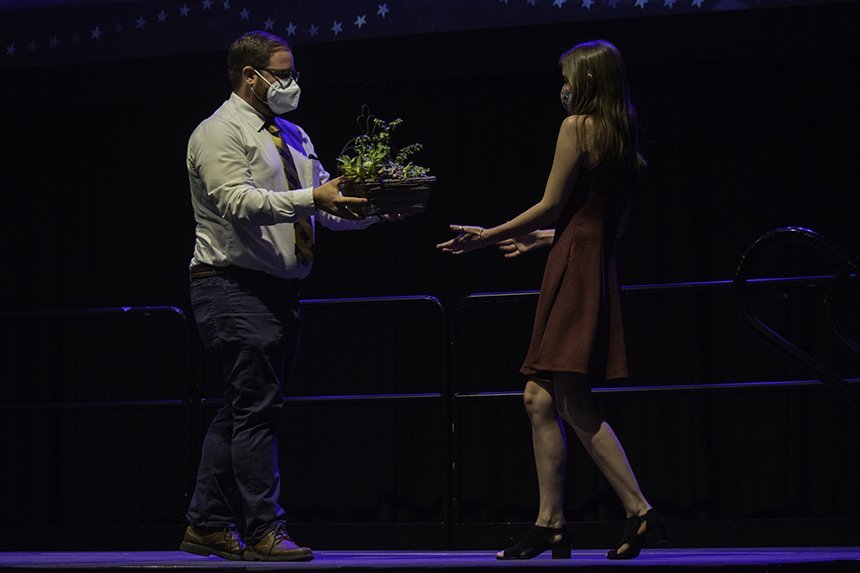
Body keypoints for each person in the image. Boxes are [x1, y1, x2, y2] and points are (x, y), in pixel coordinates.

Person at [437, 39, 666, 560]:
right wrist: (545, 242)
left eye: (567, 78)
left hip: (573, 272)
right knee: (538, 398)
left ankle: (639, 510)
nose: (562, 88)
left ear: (584, 82)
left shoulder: (576, 127)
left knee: (571, 400)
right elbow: (604, 226)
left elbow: (551, 205)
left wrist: (488, 236)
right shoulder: (621, 136)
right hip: (591, 265)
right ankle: (552, 524)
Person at [179, 31, 384, 562]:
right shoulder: (217, 131)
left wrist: (371, 209)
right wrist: (312, 196)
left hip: (278, 291)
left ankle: (205, 524)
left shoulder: (292, 133)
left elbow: (317, 208)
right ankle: (265, 529)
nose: (290, 82)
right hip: (231, 285)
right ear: (251, 75)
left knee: (244, 407)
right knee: (257, 411)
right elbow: (236, 201)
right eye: (281, 71)